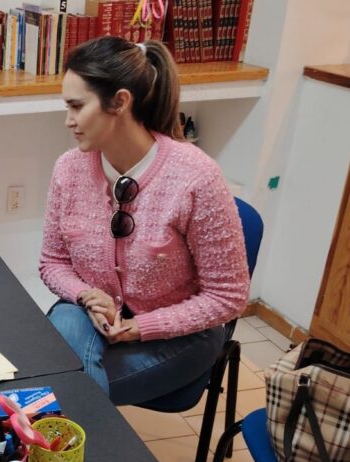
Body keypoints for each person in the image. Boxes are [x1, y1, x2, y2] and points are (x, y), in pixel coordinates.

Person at [40, 38, 249, 406]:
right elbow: (52, 262)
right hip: (92, 317)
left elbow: (228, 296)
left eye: (77, 106)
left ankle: (80, 430)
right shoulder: (68, 169)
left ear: (120, 102)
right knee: (61, 350)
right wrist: (87, 296)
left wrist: (141, 327)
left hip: (182, 335)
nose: (68, 120)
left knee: (59, 390)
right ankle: (84, 431)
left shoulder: (196, 177)